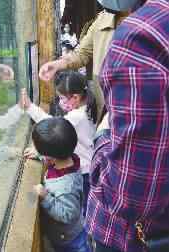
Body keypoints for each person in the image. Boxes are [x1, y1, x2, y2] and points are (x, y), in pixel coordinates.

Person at [85, 0, 169, 251]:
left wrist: (101, 138)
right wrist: (61, 63)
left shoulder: (140, 34)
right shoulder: (100, 22)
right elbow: (83, 52)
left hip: (134, 235)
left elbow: (131, 197)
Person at [39, 1, 131, 122]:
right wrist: (57, 65)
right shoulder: (102, 19)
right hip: (105, 99)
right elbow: (82, 53)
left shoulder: (154, 18)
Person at [21, 71, 97, 215]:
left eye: (62, 98)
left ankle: (83, 229)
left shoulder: (77, 116)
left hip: (84, 169)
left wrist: (30, 107)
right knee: (82, 203)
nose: (60, 101)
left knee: (80, 207)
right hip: (85, 163)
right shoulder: (87, 106)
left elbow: (53, 128)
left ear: (75, 97)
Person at [32, 117, 90, 252]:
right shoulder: (70, 158)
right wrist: (40, 155)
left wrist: (46, 197)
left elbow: (68, 215)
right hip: (63, 235)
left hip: (70, 240)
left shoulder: (66, 187)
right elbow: (53, 159)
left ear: (50, 156)